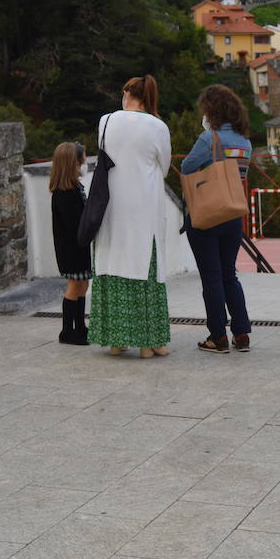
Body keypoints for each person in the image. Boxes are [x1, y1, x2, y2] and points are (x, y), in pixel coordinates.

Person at [87, 75, 173, 358]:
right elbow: (165, 167)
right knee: (144, 268)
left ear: (126, 93)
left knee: (113, 265)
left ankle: (116, 340)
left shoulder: (106, 121)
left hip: (111, 207)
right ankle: (150, 343)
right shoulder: (158, 126)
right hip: (144, 207)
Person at [181, 84, 253, 354]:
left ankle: (217, 336)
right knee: (228, 275)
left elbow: (187, 167)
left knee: (211, 277)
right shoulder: (244, 140)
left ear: (212, 110)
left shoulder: (209, 138)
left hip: (208, 214)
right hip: (233, 213)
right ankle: (242, 333)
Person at [50, 141, 91, 344]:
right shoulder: (65, 193)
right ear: (72, 164)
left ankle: (80, 326)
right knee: (75, 286)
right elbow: (74, 222)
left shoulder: (74, 188)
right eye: (81, 160)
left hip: (78, 247)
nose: (83, 164)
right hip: (71, 249)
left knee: (83, 284)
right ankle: (67, 331)